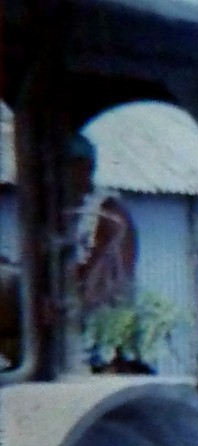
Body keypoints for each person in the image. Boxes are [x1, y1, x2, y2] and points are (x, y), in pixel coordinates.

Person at [66, 133, 138, 317]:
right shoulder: (66, 208)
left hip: (104, 311)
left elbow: (103, 266)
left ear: (88, 167)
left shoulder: (108, 209)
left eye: (72, 165)